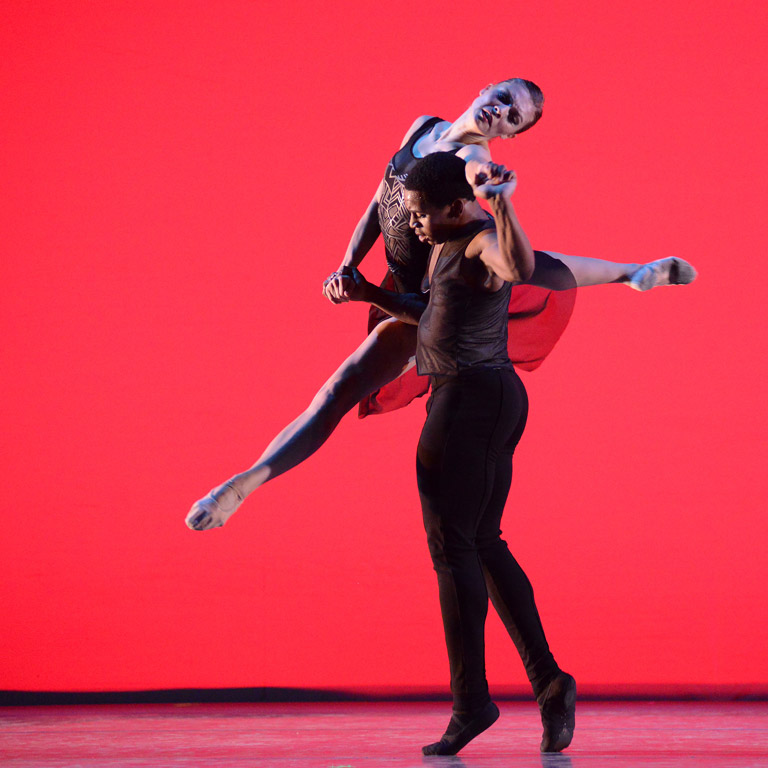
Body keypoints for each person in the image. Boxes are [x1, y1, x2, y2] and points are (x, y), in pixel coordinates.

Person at [185, 78, 696, 532]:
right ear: (483, 88)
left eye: (514, 116)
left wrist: (495, 191)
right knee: (537, 268)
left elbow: (480, 195)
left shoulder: (473, 163)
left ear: (513, 136)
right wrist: (347, 263)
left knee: (342, 388)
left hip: (434, 296)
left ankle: (239, 487)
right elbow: (378, 202)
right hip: (400, 277)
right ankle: (631, 273)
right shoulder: (423, 126)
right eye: (502, 98)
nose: (501, 111)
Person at [340, 151, 575, 754]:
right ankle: (549, 683)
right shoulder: (447, 246)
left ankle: (471, 702)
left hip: (467, 400)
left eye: (419, 214)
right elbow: (433, 314)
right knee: (484, 543)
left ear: (453, 205)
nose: (412, 225)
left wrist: (503, 205)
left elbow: (518, 264)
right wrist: (368, 291)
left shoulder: (476, 244)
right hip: (492, 394)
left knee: (452, 551)